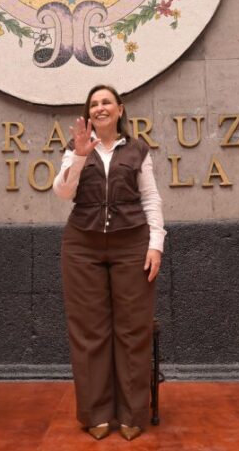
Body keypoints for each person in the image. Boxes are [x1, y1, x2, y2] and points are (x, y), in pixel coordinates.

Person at [53, 84, 165, 441]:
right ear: (88, 113)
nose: (100, 108)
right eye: (94, 104)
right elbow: (63, 192)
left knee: (133, 329)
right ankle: (96, 413)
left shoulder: (137, 149)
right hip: (82, 245)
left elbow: (151, 199)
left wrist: (156, 245)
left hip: (132, 243)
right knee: (89, 330)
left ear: (120, 109)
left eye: (106, 102)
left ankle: (133, 413)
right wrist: (79, 156)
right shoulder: (75, 147)